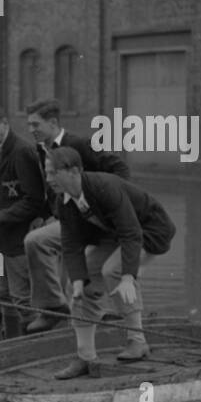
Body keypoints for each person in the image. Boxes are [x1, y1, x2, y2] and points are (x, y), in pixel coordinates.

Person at [44, 146, 175, 380]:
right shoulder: (63, 200)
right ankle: (85, 357)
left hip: (149, 231)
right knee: (81, 284)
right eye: (47, 173)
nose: (48, 179)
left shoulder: (105, 187)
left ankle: (137, 341)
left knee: (113, 270)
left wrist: (128, 277)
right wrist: (77, 282)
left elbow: (131, 232)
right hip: (113, 235)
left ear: (74, 171)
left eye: (53, 173)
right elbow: (72, 243)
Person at [23, 97, 131, 334]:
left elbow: (119, 168)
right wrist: (49, 213)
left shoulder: (80, 144)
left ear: (52, 123)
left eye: (35, 125)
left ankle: (60, 311)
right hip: (68, 220)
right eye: (29, 125)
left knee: (38, 243)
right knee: (46, 249)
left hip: (94, 223)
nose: (30, 130)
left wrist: (111, 206)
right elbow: (51, 187)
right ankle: (57, 311)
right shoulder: (42, 150)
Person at [0, 102, 46, 339]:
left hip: (19, 239)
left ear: (5, 123)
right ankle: (11, 338)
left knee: (22, 296)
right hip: (2, 240)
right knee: (4, 295)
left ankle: (33, 344)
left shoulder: (22, 151)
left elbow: (35, 200)